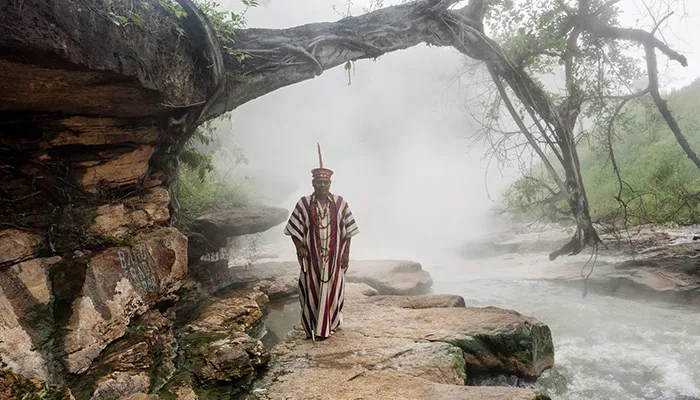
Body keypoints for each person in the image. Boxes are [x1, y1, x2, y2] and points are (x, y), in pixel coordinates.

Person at [283, 144, 359, 341]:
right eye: (318, 182)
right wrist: (299, 246)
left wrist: (346, 253)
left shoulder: (341, 203)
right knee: (310, 289)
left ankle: (330, 324)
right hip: (312, 257)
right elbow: (293, 228)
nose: (322, 186)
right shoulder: (304, 203)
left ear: (330, 184)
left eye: (325, 183)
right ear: (313, 183)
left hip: (334, 258)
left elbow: (349, 231)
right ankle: (313, 327)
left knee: (335, 289)